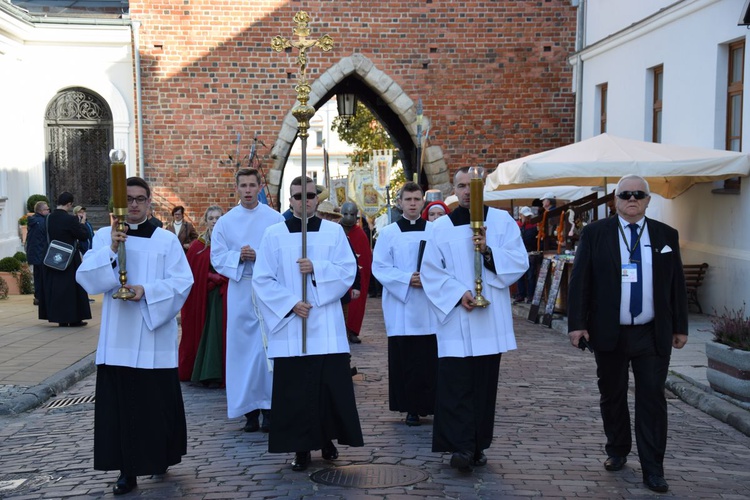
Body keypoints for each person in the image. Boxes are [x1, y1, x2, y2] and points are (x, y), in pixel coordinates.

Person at [567, 174, 688, 494]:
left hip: (652, 332)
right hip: (609, 331)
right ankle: (617, 449)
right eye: (625, 194)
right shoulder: (595, 234)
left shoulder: (665, 235)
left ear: (648, 200)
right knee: (612, 394)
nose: (631, 199)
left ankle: (654, 468)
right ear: (615, 200)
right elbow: (580, 281)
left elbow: (677, 283)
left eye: (638, 195)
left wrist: (680, 327)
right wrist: (577, 324)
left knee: (652, 397)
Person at [75, 177, 193, 496]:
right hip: (119, 340)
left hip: (154, 339)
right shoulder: (103, 236)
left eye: (141, 199)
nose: (136, 205)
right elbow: (87, 279)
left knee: (155, 408)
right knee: (123, 409)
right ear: (120, 204)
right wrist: (113, 248)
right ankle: (127, 471)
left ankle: (159, 457)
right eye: (129, 199)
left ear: (149, 203)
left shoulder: (165, 241)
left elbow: (183, 282)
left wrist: (147, 291)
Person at [421, 167, 528, 472]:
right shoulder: (442, 227)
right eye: (462, 186)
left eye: (473, 185)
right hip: (456, 316)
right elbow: (431, 270)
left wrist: (490, 253)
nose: (468, 191)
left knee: (483, 384)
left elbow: (519, 260)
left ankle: (478, 443)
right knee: (455, 384)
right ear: (454, 190)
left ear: (483, 188)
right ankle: (461, 446)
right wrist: (457, 294)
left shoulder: (502, 221)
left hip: (488, 316)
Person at [253, 175, 363, 472]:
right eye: (298, 196)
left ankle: (327, 440)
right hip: (292, 325)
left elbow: (346, 270)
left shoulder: (334, 232)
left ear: (318, 198)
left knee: (327, 388)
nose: (304, 201)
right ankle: (301, 448)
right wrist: (290, 303)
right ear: (290, 200)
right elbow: (261, 278)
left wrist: (317, 269)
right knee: (296, 391)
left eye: (310, 195)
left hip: (325, 323)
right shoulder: (274, 234)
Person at [211, 168, 284, 433]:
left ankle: (270, 408)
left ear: (260, 187)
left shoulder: (274, 219)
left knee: (266, 350)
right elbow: (217, 258)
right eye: (244, 186)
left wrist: (259, 257)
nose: (249, 190)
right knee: (242, 351)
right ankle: (248, 411)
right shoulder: (226, 222)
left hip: (266, 290)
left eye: (253, 185)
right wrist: (238, 257)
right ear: (237, 188)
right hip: (241, 289)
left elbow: (282, 254)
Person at [372, 181, 438, 427]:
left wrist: (428, 279)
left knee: (429, 359)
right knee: (406, 360)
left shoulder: (434, 231)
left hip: (429, 305)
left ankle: (430, 404)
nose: (412, 204)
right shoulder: (389, 233)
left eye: (417, 199)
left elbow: (444, 263)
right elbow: (379, 266)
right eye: (408, 199)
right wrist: (407, 279)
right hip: (402, 305)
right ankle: (410, 407)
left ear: (423, 202)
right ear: (399, 203)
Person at [179, 205, 227, 386]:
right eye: (211, 218)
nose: (215, 221)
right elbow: (191, 274)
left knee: (220, 333)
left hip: (223, 296)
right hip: (203, 296)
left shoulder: (229, 243)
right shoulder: (197, 246)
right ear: (205, 221)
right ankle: (204, 371)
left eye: (218, 218)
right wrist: (209, 276)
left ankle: (221, 371)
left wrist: (220, 278)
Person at [39, 192, 92, 327]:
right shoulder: (70, 219)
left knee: (56, 288)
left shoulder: (49, 218)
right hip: (69, 258)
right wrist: (83, 222)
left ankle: (60, 319)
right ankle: (74, 318)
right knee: (71, 289)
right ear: (69, 204)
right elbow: (83, 235)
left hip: (52, 256)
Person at [340, 201, 372, 344]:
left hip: (357, 275)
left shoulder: (360, 234)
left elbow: (365, 258)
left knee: (356, 304)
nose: (348, 217)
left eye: (352, 214)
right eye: (346, 214)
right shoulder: (336, 230)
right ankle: (341, 331)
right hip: (340, 273)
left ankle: (352, 330)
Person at [25, 200, 50, 306]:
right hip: (41, 253)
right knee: (42, 277)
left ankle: (38, 297)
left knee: (38, 276)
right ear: (41, 210)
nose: (49, 211)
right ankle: (41, 297)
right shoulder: (42, 222)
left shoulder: (34, 221)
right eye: (47, 209)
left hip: (35, 253)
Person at [514, 206, 539, 304]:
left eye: (529, 216)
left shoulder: (533, 226)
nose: (528, 218)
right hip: (519, 254)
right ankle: (521, 295)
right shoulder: (516, 226)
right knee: (519, 275)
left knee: (530, 276)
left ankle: (530, 296)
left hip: (530, 253)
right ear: (521, 216)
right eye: (526, 216)